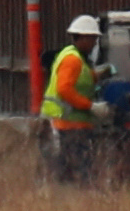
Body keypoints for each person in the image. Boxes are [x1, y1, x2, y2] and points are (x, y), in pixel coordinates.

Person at [37, 12, 107, 180]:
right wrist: (91, 106)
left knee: (71, 170)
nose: (95, 43)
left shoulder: (77, 58)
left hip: (71, 125)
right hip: (67, 124)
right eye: (92, 39)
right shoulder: (72, 60)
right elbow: (65, 89)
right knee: (75, 170)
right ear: (82, 38)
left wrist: (100, 74)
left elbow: (82, 80)